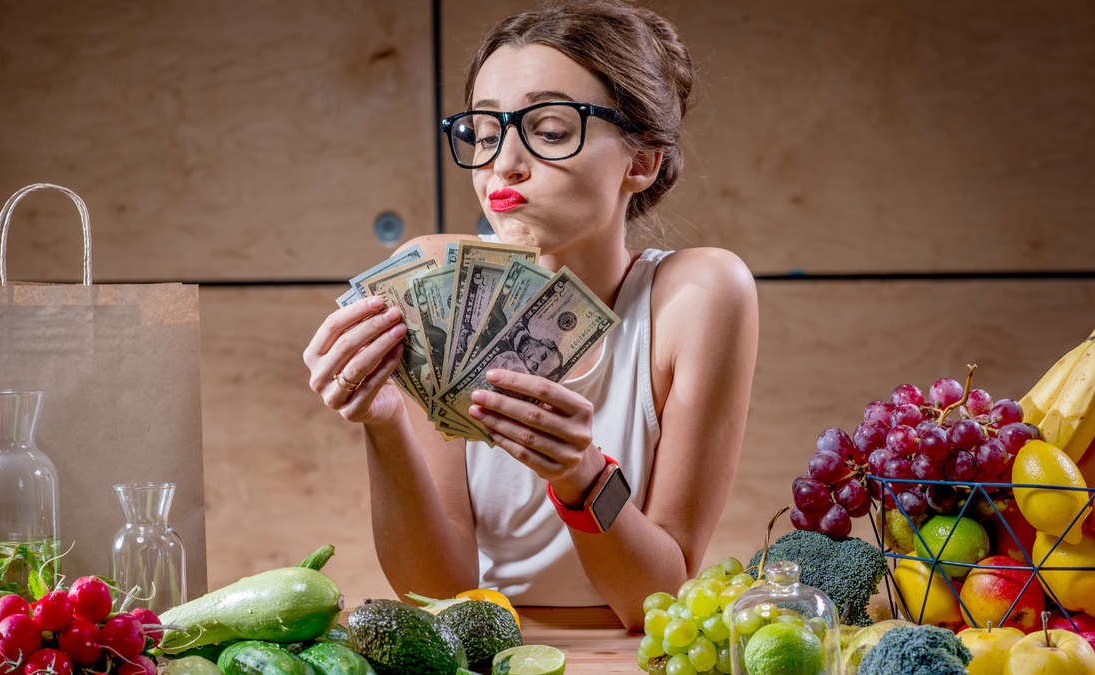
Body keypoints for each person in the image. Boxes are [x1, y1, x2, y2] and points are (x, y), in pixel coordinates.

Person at [303, 0, 758, 629]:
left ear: (641, 161)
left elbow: (656, 601)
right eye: (486, 133)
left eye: (548, 131)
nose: (503, 164)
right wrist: (384, 425)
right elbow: (436, 594)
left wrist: (581, 474)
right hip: (490, 654)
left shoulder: (698, 295)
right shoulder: (432, 277)